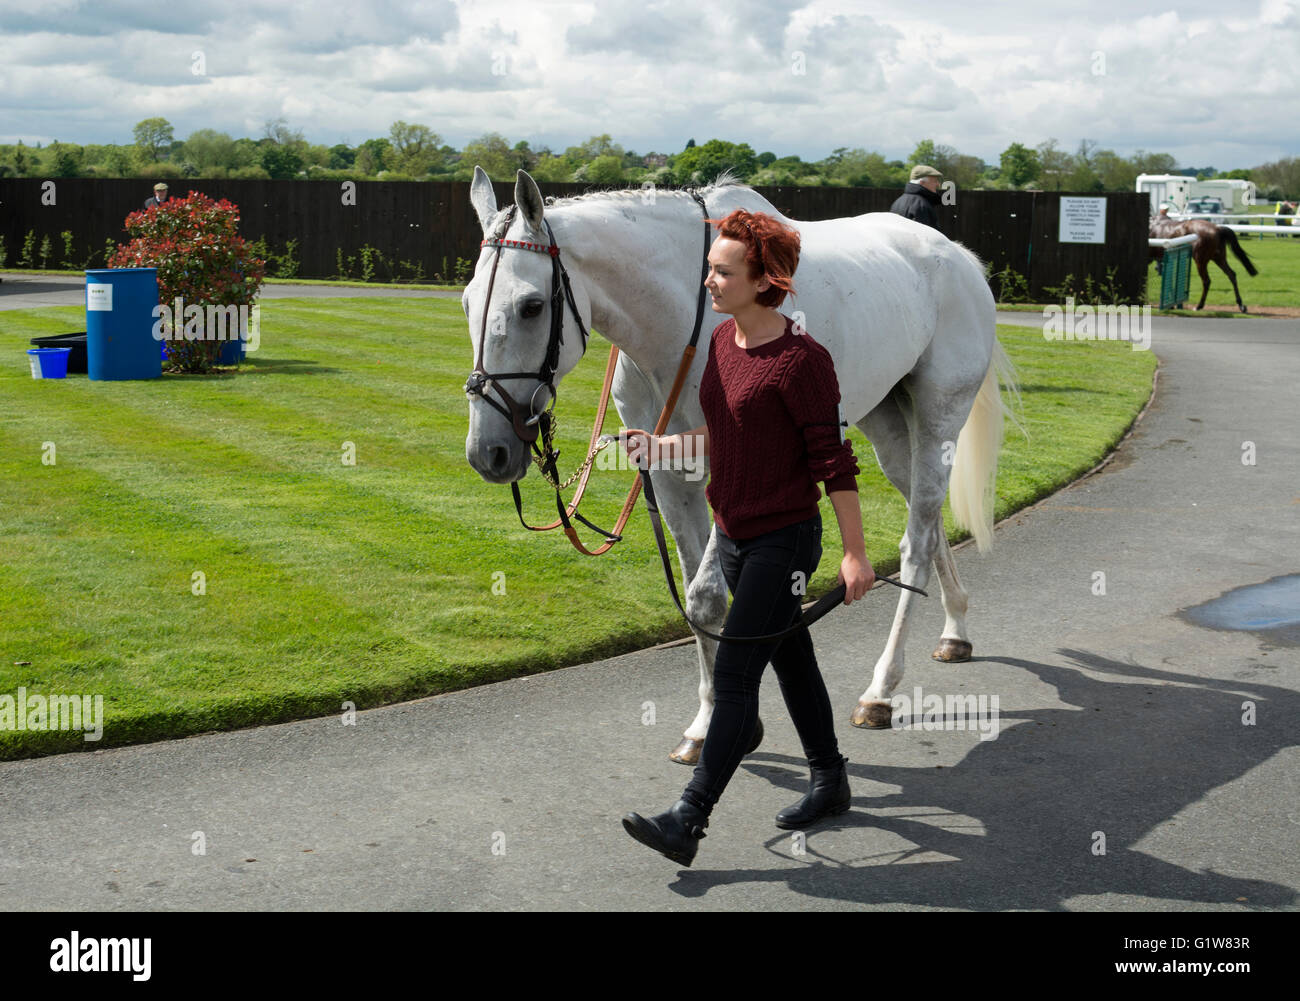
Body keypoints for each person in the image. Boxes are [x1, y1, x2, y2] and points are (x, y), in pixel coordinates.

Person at [619, 208, 876, 867]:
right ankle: (830, 778)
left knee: (735, 674)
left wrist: (854, 552)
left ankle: (688, 819)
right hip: (733, 535)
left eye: (722, 271)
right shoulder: (721, 349)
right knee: (791, 657)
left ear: (765, 281)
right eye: (709, 268)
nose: (708, 280)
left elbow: (834, 460)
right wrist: (661, 446)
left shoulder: (801, 362)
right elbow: (722, 441)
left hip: (784, 541)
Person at [889, 165, 944, 229]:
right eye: (935, 181)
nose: (938, 184)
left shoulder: (897, 202)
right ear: (922, 182)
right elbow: (925, 237)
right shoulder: (921, 205)